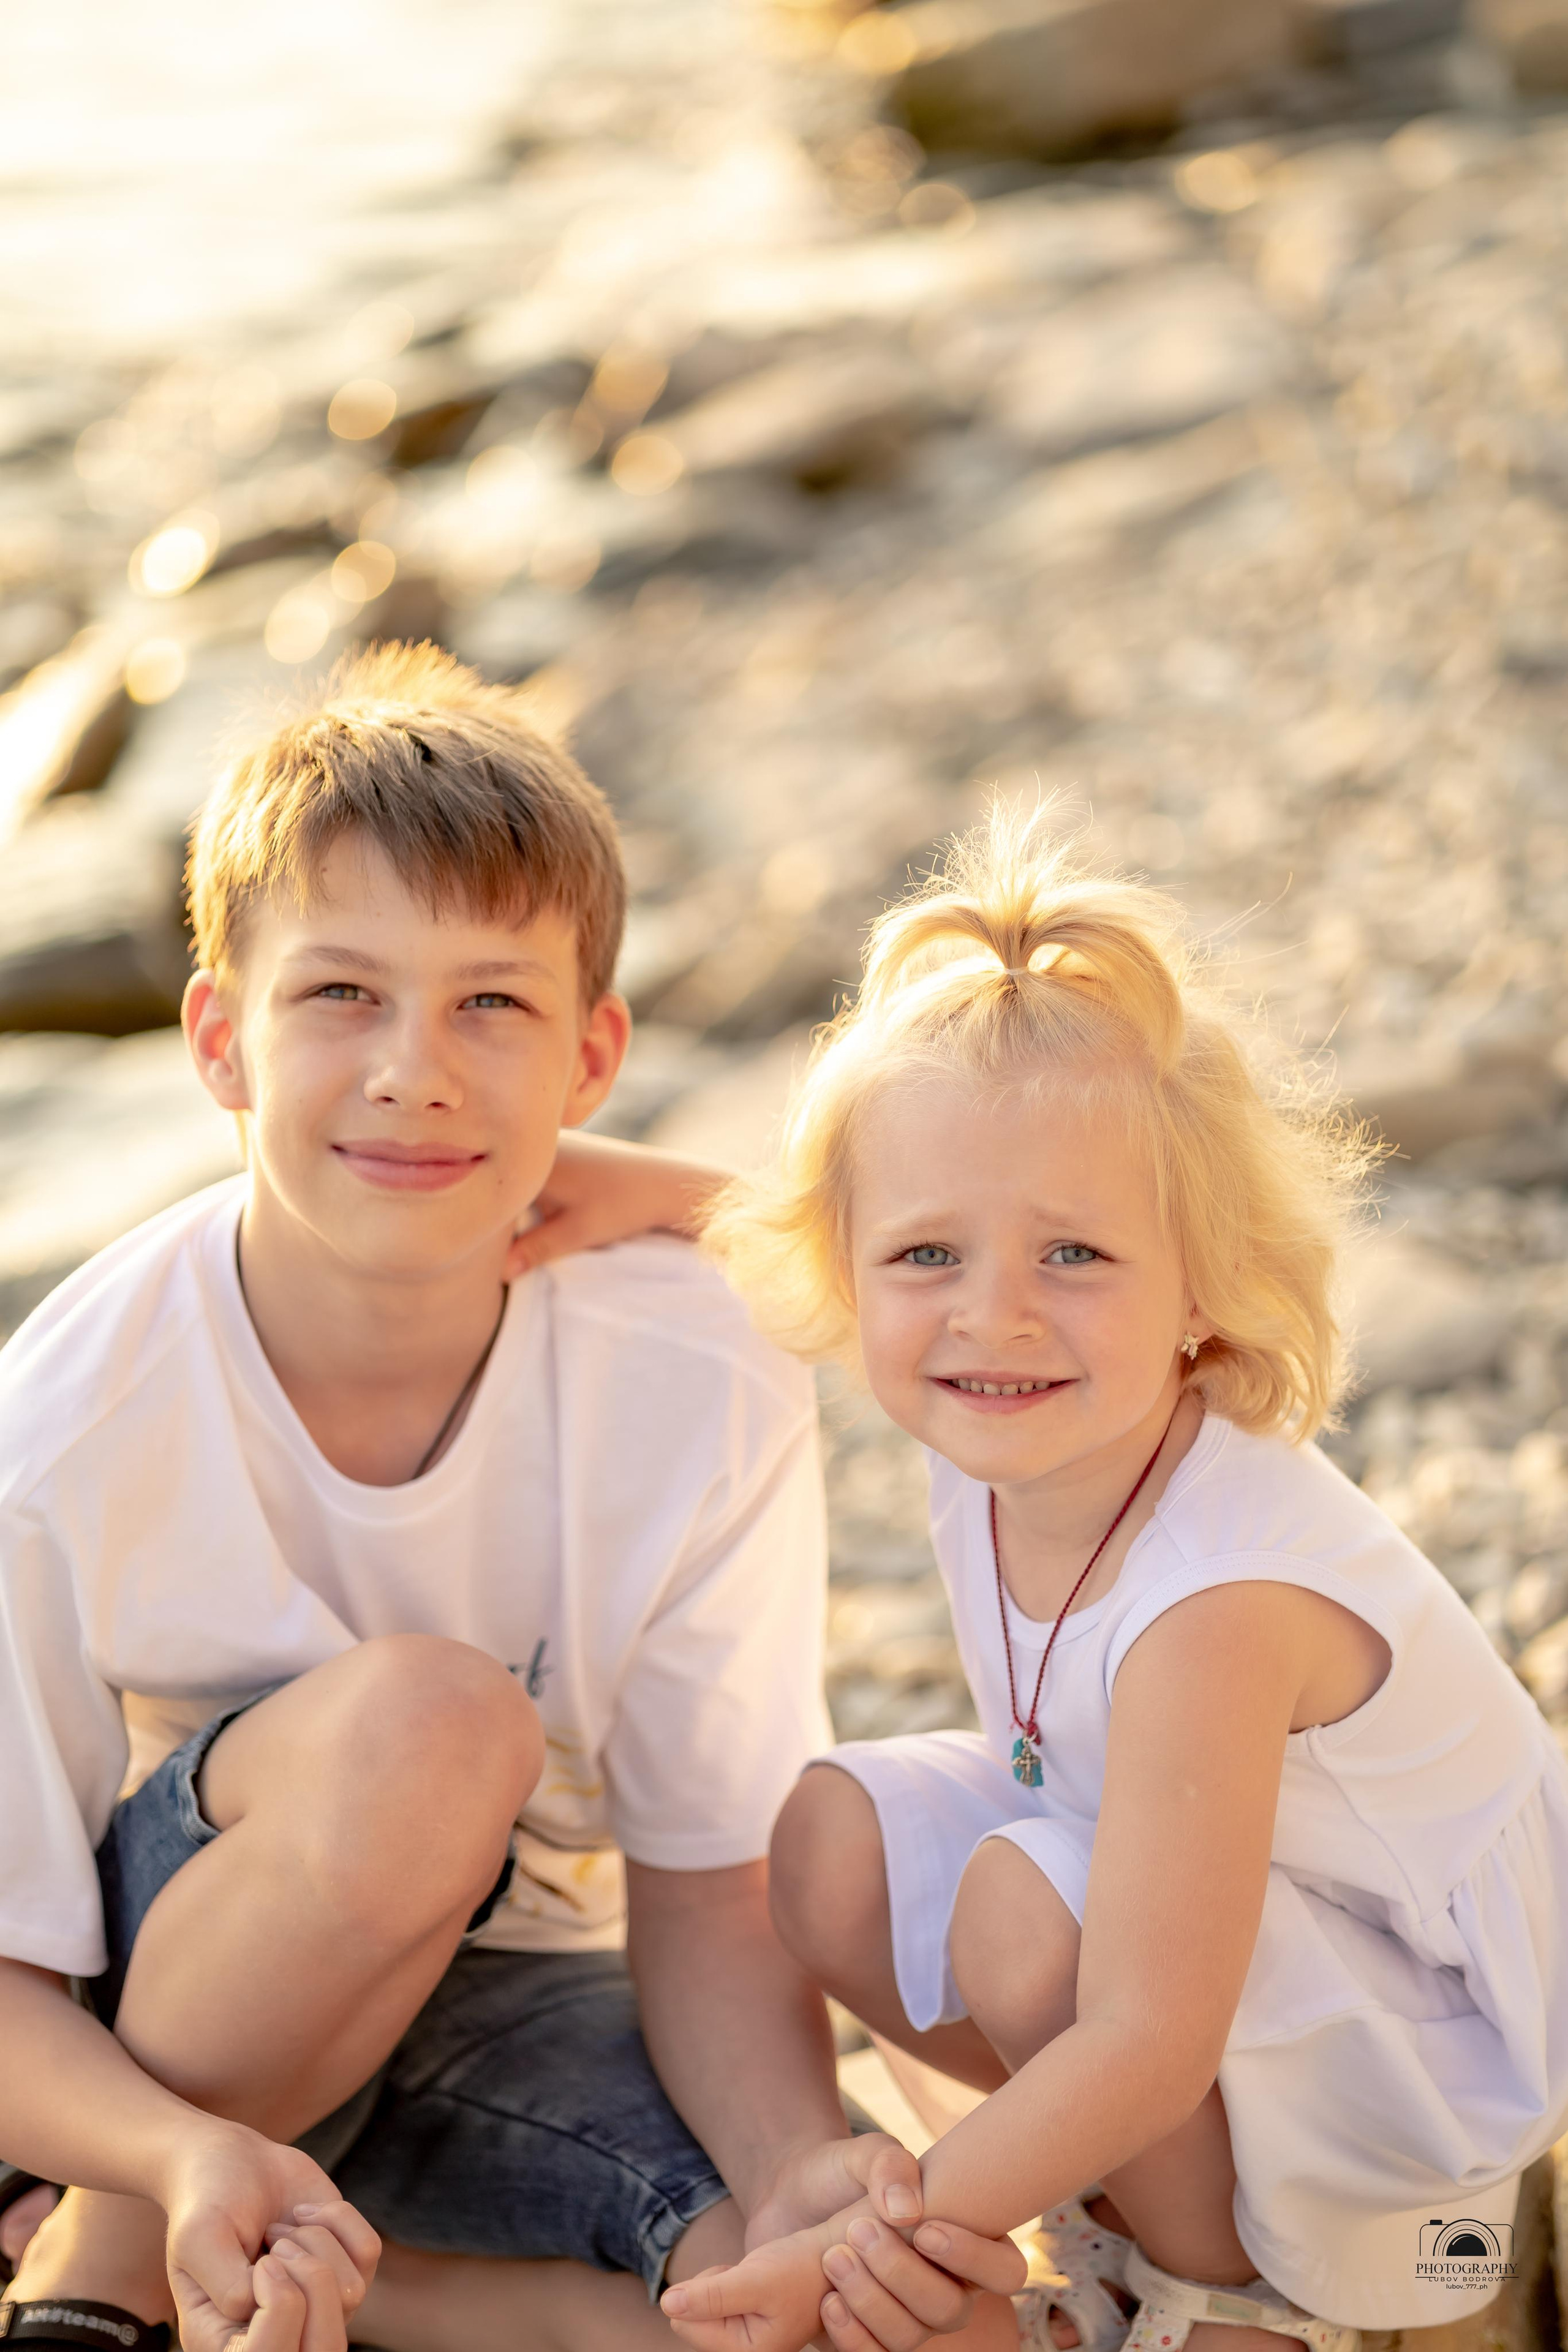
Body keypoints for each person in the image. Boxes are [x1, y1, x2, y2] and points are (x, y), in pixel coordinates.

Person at [0, 645, 1023, 2352]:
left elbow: (710, 1875)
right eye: (340, 995)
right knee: (435, 1731)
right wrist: (170, 2155)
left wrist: (787, 2177)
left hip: (529, 2006)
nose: (416, 1068)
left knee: (881, 2317)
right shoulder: (69, 1425)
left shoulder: (693, 1362)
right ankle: (102, 2266)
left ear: (593, 1055)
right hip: (182, 2025)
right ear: (218, 1040)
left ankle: (375, 2281)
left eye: (493, 1004)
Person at [669, 805, 1568, 2352]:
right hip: (1240, 1935)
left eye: (1073, 1257)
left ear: (1199, 1288)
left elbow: (1148, 2037)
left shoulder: (1216, 1606)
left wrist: (897, 2231)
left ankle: (1242, 2295)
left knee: (1021, 1906)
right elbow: (773, 1216)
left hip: (1431, 2079)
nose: (991, 1319)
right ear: (842, 1266)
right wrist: (564, 1184)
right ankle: (1118, 2212)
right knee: (831, 1835)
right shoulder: (1010, 1441)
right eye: (923, 1257)